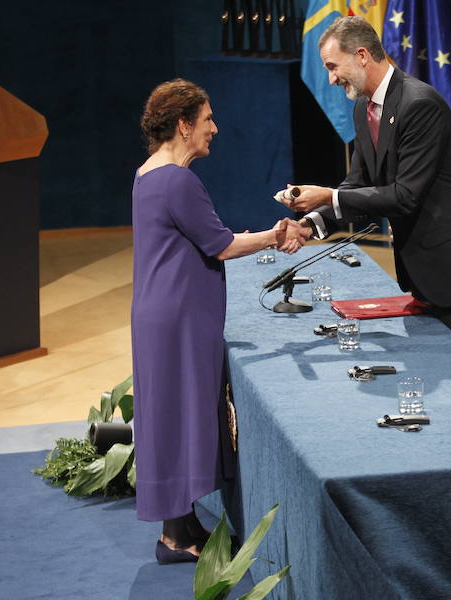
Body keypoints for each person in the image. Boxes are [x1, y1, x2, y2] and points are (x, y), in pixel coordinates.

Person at [132, 79, 302, 564]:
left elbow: (200, 239)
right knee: (179, 415)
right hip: (179, 317)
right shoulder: (176, 180)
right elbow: (222, 244)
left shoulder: (148, 173)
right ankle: (175, 538)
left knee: (168, 416)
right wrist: (275, 235)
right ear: (183, 125)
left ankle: (181, 526)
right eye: (207, 119)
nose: (215, 128)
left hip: (160, 311)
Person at [279, 16, 451, 357]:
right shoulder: (363, 108)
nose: (331, 78)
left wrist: (327, 195)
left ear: (362, 55)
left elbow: (405, 195)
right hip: (421, 270)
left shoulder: (419, 104)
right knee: (430, 371)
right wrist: (311, 223)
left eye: (333, 67)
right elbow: (360, 182)